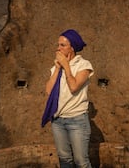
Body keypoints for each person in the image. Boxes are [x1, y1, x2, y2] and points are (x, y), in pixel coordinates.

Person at [41, 29, 94, 168]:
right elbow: (48, 91)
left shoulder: (83, 65)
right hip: (58, 120)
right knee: (64, 159)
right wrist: (58, 68)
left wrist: (66, 66)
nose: (58, 48)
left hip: (77, 120)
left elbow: (74, 87)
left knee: (81, 162)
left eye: (62, 45)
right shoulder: (56, 68)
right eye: (58, 45)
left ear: (72, 47)